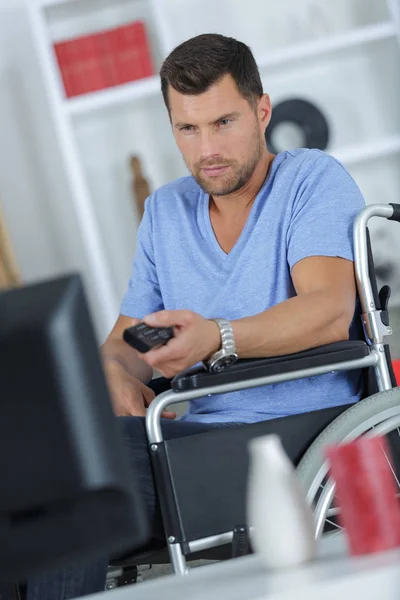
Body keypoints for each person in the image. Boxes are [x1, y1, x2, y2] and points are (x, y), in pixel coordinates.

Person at [14, 32, 365, 599]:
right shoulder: (165, 211)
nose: (208, 149)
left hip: (288, 438)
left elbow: (328, 313)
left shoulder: (311, 180)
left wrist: (215, 338)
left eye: (223, 122)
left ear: (262, 110)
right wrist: (111, 374)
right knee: (26, 460)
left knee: (71, 471)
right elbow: (123, 343)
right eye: (188, 128)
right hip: (186, 437)